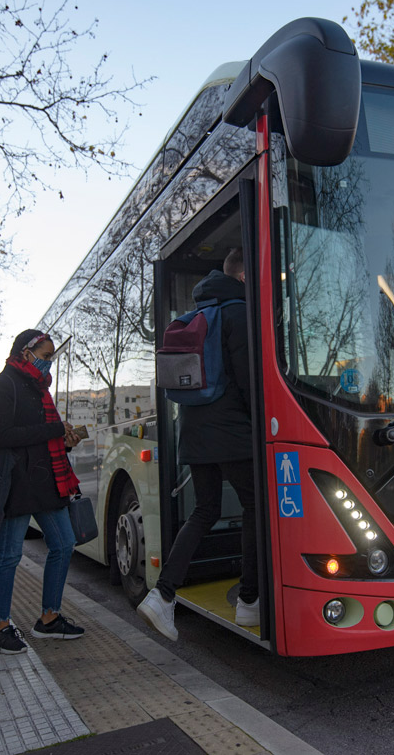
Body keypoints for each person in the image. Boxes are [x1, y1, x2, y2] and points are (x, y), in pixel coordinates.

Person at [137, 247, 258, 641]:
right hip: (233, 434)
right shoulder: (238, 312)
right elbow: (247, 381)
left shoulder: (195, 315)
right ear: (242, 276)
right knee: (255, 507)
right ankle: (249, 601)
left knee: (203, 512)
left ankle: (163, 595)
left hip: (193, 432)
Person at [0, 329, 85, 655]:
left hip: (45, 481)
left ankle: (49, 618)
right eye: (45, 356)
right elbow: (4, 435)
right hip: (16, 483)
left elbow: (44, 438)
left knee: (64, 543)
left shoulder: (40, 390)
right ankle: (1, 626)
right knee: (9, 554)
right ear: (26, 353)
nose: (49, 363)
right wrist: (54, 429)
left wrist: (64, 440)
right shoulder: (3, 385)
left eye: (51, 357)